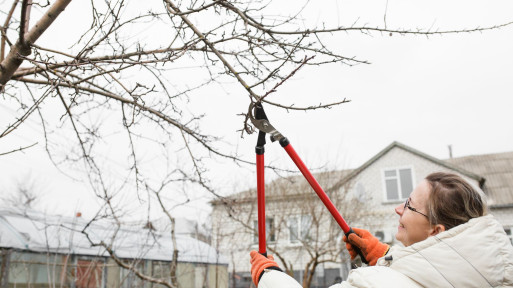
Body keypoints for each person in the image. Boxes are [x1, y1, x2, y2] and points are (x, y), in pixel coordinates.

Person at [250, 172, 513, 288]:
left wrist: (269, 276)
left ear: (436, 231)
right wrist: (385, 256)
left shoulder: (372, 285)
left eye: (410, 205)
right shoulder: (492, 276)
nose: (398, 208)